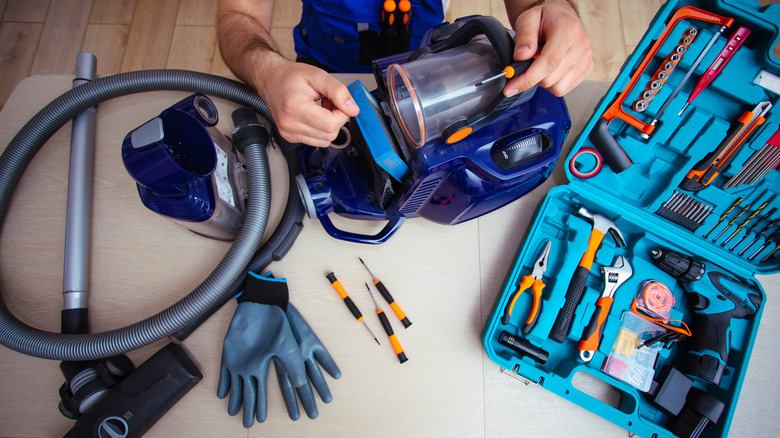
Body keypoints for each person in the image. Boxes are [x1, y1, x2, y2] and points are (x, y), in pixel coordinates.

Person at [217, 0, 592, 147]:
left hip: (433, 70)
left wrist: (555, 12)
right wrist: (269, 73)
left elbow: (535, 6)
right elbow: (239, 17)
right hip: (316, 77)